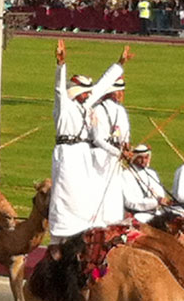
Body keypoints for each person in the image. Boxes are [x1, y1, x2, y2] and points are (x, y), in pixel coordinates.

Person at [49, 40, 130, 242]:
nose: (89, 94)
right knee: (66, 194)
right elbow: (59, 89)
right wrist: (61, 65)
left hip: (84, 152)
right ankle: (62, 233)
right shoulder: (64, 107)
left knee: (86, 194)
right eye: (85, 91)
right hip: (67, 152)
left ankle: (87, 229)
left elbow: (102, 85)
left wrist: (119, 64)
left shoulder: (86, 104)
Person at [87, 72, 129, 226]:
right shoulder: (97, 110)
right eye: (118, 91)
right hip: (99, 156)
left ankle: (113, 222)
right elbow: (97, 139)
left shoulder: (121, 111)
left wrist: (125, 149)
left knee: (114, 191)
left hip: (114, 158)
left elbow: (125, 136)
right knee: (100, 192)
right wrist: (119, 152)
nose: (121, 94)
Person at [122, 144, 167, 224]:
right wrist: (155, 202)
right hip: (138, 217)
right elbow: (130, 202)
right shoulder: (126, 174)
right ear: (134, 158)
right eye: (140, 158)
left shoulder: (151, 173)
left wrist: (160, 200)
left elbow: (160, 193)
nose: (144, 161)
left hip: (156, 214)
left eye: (146, 158)